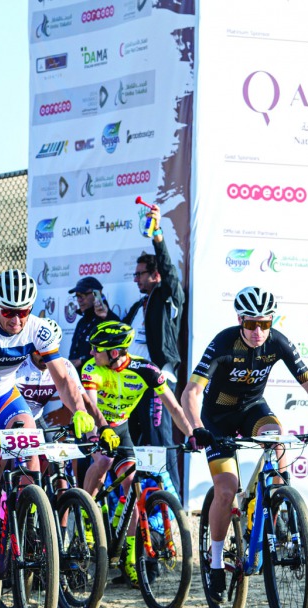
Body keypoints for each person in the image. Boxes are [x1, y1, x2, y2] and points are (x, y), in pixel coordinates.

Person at [0, 269, 99, 596]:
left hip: (4, 399)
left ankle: (30, 532)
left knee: (31, 463)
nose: (15, 319)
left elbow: (63, 379)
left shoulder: (38, 330)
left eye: (23, 312)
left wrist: (80, 410)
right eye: (8, 311)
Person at [182, 287, 308, 595]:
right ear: (240, 320)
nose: (258, 332)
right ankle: (216, 562)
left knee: (277, 440)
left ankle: (276, 498)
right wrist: (196, 427)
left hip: (253, 410)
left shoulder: (277, 342)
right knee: (226, 490)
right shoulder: (223, 343)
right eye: (251, 324)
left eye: (264, 324)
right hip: (217, 419)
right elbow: (191, 392)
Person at [79, 321, 194, 584]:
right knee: (104, 460)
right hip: (94, 426)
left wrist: (191, 434)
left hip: (121, 429)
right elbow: (91, 407)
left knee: (133, 488)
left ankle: (130, 557)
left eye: (98, 349)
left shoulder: (146, 370)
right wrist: (101, 429)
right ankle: (86, 514)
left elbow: (175, 409)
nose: (92, 352)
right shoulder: (92, 368)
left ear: (115, 353)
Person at [123, 203, 185, 492]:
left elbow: (171, 270)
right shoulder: (138, 306)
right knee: (135, 441)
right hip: (133, 383)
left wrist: (157, 234)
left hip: (158, 381)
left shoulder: (167, 296)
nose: (136, 279)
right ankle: (144, 504)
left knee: (161, 443)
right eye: (134, 275)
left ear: (155, 275)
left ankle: (170, 508)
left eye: (140, 274)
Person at [67, 276, 110, 369]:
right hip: (77, 379)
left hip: (98, 379)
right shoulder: (82, 322)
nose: (79, 300)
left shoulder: (108, 320)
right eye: (77, 296)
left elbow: (113, 354)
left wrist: (82, 360)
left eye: (82, 295)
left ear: (97, 294)